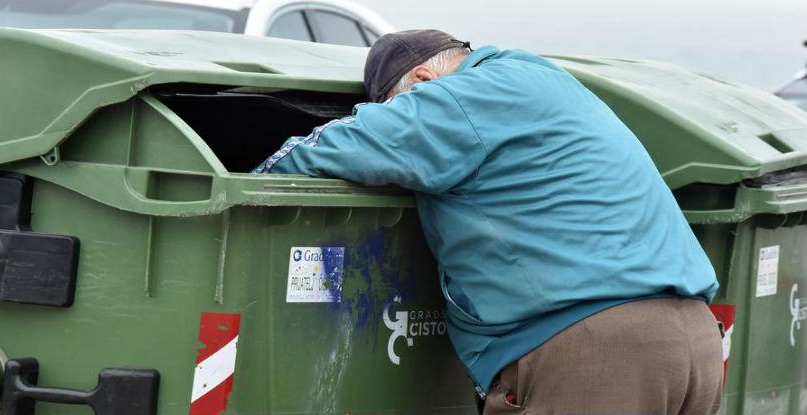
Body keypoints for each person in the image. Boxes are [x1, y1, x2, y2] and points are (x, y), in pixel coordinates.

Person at [254, 29, 723, 414]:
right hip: (694, 341)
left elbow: (337, 147)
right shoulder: (541, 79)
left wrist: (254, 179)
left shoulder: (455, 99)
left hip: (598, 350)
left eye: (396, 104)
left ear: (422, 79)